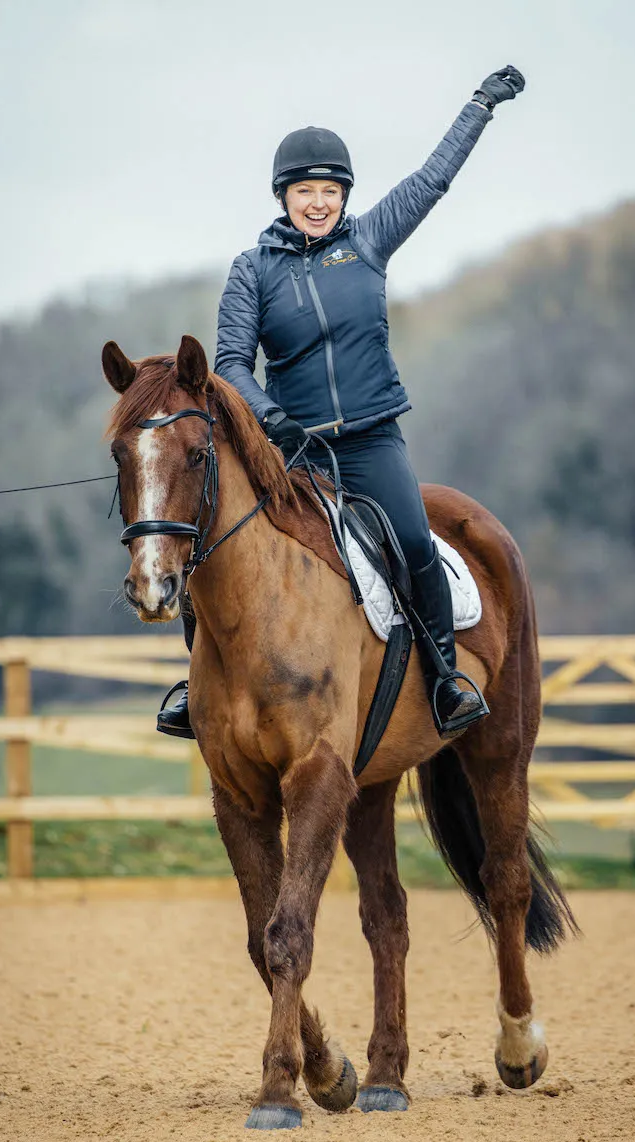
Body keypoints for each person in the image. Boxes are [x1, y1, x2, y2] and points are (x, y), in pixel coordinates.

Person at [158, 66, 525, 739]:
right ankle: (198, 684)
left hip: (370, 440)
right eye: (305, 191)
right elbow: (231, 361)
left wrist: (479, 106)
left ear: (344, 196)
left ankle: (444, 678)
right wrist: (269, 416)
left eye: (329, 191)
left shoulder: (369, 242)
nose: (318, 202)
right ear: (284, 197)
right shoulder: (252, 270)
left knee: (415, 541)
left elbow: (431, 180)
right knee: (212, 541)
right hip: (289, 450)